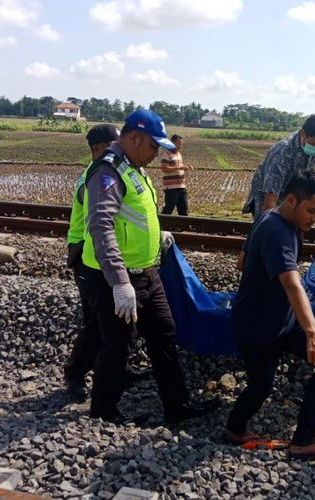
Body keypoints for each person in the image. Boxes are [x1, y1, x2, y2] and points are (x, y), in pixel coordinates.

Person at [80, 109, 219, 424]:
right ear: (133, 137)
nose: (157, 153)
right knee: (116, 346)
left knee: (164, 334)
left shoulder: (133, 166)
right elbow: (101, 227)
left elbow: (133, 214)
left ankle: (177, 406)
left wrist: (157, 235)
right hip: (111, 278)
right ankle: (104, 413)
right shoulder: (107, 172)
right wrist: (118, 282)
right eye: (153, 146)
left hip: (145, 271)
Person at [226, 169, 315, 460]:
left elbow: (242, 262)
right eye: (311, 211)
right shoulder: (277, 230)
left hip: (282, 319)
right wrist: (313, 333)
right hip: (258, 327)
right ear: (291, 200)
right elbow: (293, 284)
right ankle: (233, 428)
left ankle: (303, 440)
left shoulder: (278, 219)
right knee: (260, 387)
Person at [63, 123, 121, 399]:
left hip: (98, 254)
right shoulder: (95, 178)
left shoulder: (111, 171)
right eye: (114, 147)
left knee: (110, 319)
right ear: (99, 149)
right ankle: (75, 374)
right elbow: (101, 223)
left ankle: (116, 368)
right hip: (86, 254)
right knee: (97, 321)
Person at [242, 111, 315, 221]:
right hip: (265, 200)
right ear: (303, 133)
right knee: (272, 229)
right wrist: (269, 227)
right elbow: (270, 200)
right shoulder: (283, 152)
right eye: (314, 146)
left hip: (289, 197)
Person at [160, 134, 193, 216]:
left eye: (181, 144)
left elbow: (178, 167)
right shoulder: (167, 154)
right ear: (172, 142)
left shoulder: (178, 154)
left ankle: (183, 227)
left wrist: (185, 167)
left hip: (181, 186)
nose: (180, 146)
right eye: (178, 143)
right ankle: (162, 225)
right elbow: (164, 168)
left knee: (184, 209)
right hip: (171, 188)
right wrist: (180, 167)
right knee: (168, 209)